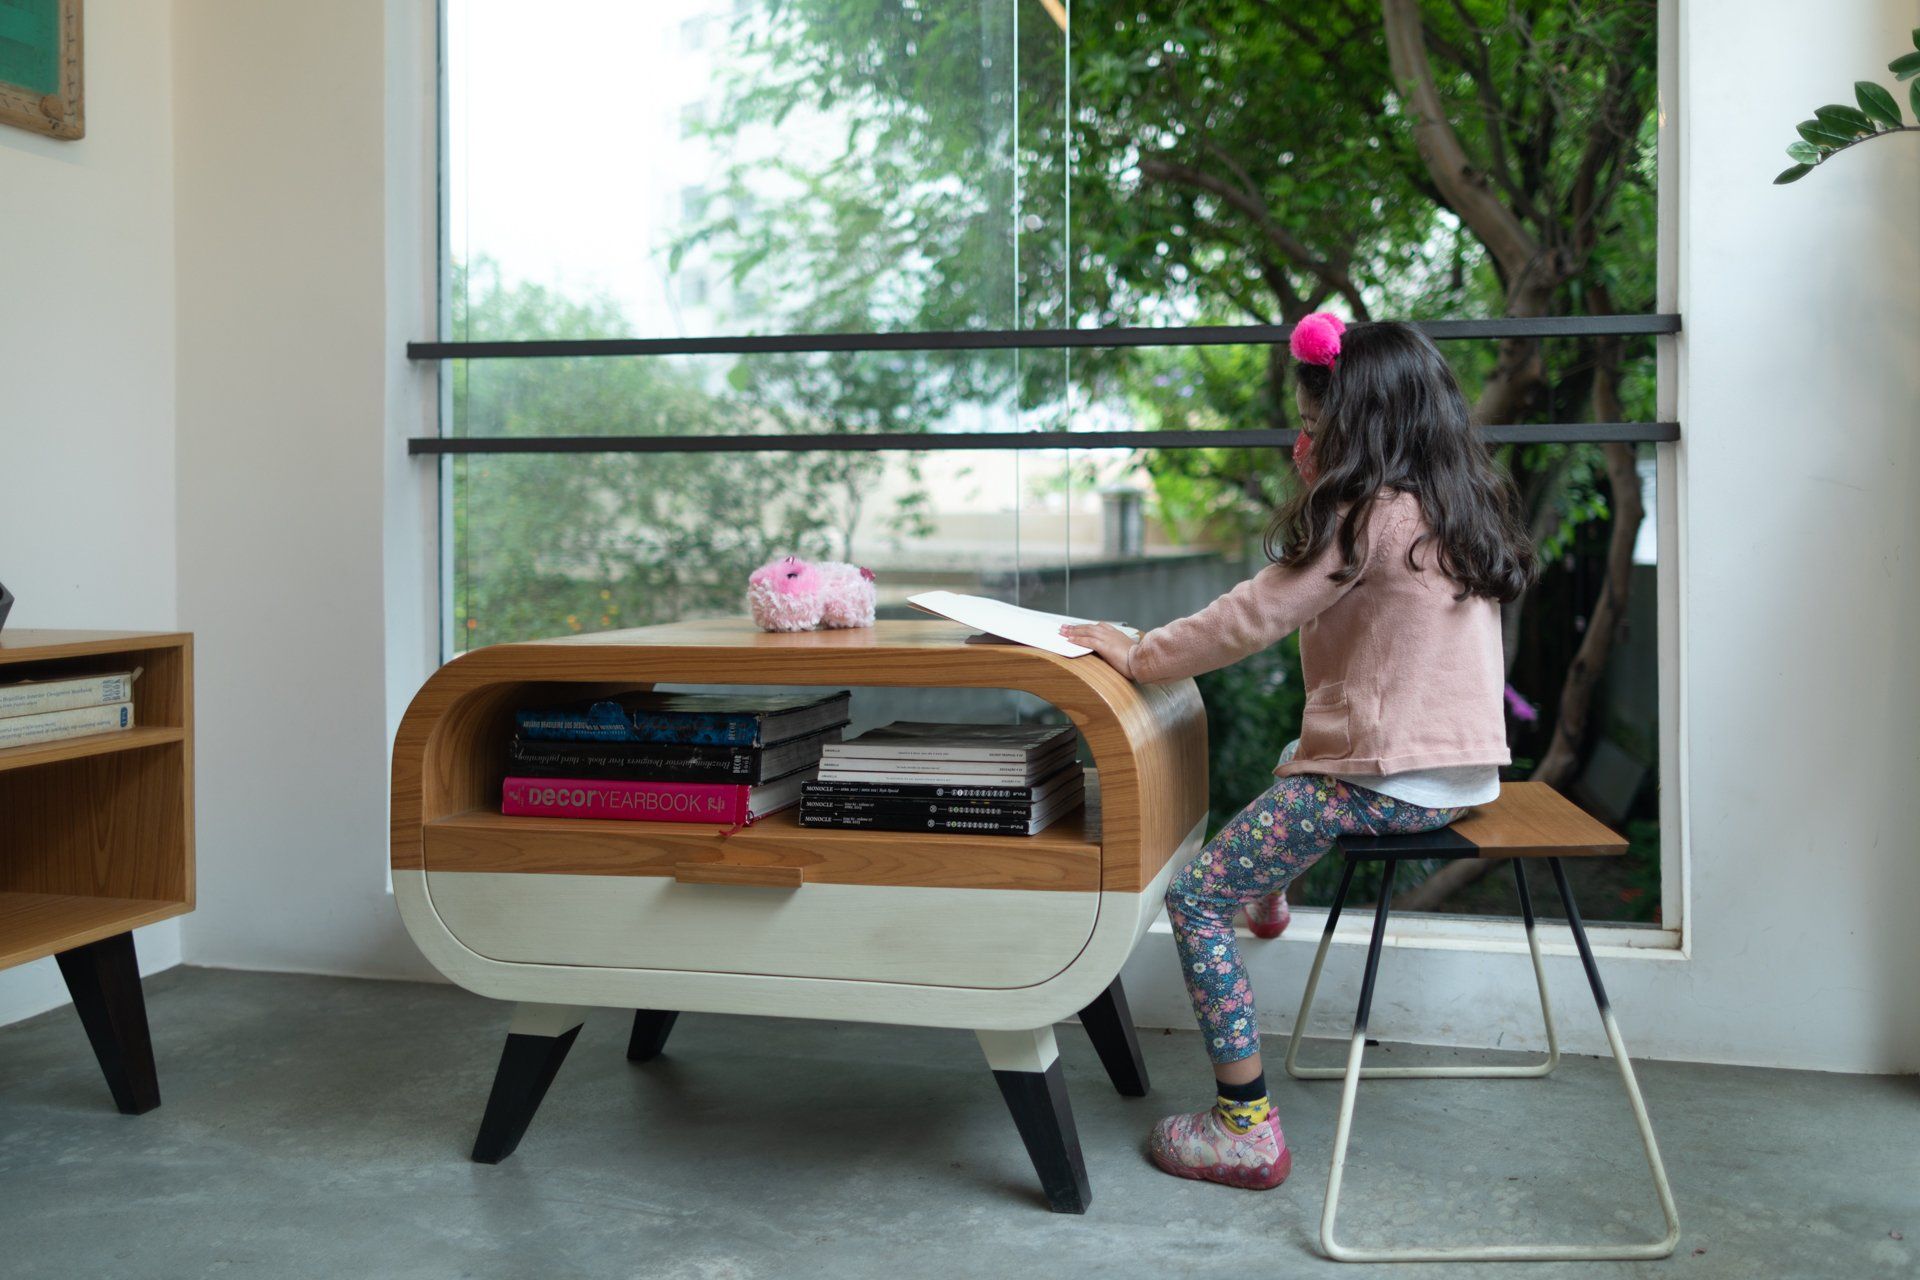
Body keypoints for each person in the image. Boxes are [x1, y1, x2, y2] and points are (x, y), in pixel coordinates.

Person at [1060, 314, 1535, 1189]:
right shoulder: (1453, 503)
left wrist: (1138, 653)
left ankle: (1245, 1125)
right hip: (1464, 774)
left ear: (1349, 421)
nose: (1304, 436)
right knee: (1299, 749)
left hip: (1385, 781)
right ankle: (1272, 898)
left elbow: (1253, 613)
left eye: (1315, 421)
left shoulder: (1367, 515)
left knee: (1200, 900)